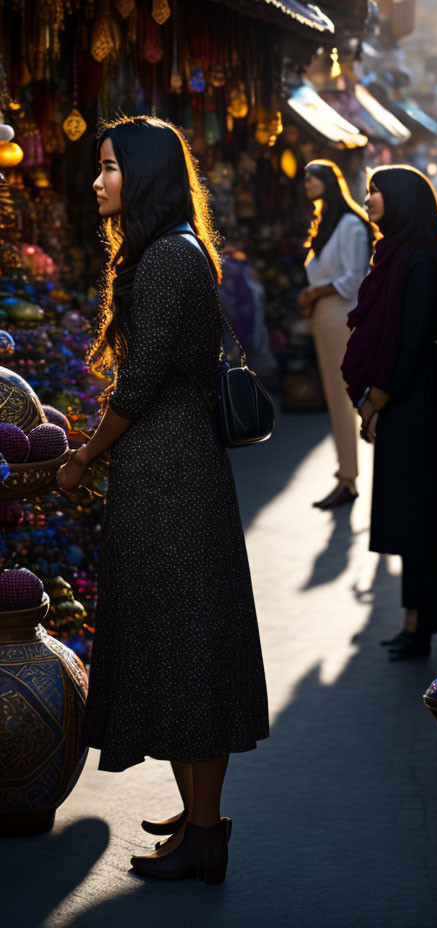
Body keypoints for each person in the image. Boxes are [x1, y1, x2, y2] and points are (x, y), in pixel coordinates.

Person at [56, 116, 269, 882]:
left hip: (170, 472)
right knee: (182, 643)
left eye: (109, 167)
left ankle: (205, 833)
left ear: (141, 175)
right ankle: (197, 815)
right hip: (171, 467)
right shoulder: (172, 250)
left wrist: (85, 454)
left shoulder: (165, 260)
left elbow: (139, 384)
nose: (98, 181)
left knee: (186, 648)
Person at [341, 166, 437, 661]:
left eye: (375, 191)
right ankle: (414, 620)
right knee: (410, 520)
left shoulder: (418, 263)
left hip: (415, 406)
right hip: (405, 403)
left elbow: (413, 346)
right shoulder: (399, 255)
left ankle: (423, 625)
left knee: (419, 523)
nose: (368, 198)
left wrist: (376, 401)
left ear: (402, 201)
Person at [299, 160, 373, 510]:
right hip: (324, 316)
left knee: (347, 397)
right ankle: (346, 474)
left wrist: (315, 293)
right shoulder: (326, 223)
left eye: (312, 178)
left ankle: (348, 476)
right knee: (336, 396)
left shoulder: (350, 224)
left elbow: (353, 280)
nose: (307, 183)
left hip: (339, 315)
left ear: (328, 182)